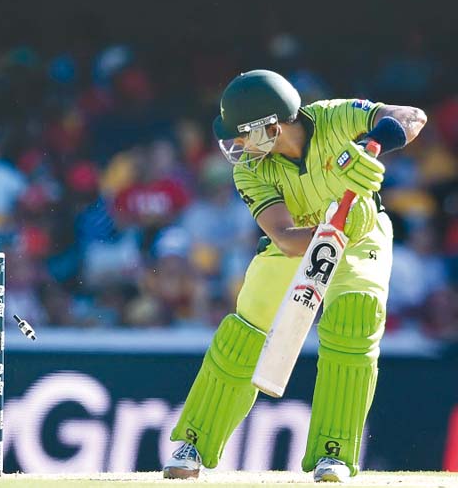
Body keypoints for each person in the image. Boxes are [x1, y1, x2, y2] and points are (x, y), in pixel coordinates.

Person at [163, 70, 426, 482]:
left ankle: (332, 453)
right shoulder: (250, 169)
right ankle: (195, 441)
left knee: (354, 320)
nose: (237, 145)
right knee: (243, 333)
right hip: (298, 239)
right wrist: (331, 230)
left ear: (272, 125)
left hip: (362, 234)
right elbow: (284, 237)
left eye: (243, 134)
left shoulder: (335, 118)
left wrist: (371, 144)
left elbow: (411, 115)